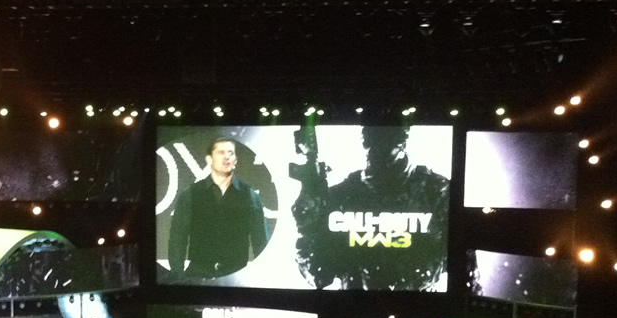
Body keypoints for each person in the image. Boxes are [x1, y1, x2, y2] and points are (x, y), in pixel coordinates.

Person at [292, 124, 449, 290]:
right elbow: (318, 274)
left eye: (384, 140)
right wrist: (309, 213)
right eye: (368, 140)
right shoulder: (345, 194)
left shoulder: (434, 190)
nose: (374, 149)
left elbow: (460, 262)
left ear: (402, 141)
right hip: (354, 302)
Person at [166, 136, 269, 279]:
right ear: (209, 159)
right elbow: (178, 238)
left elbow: (261, 241)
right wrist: (178, 276)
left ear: (235, 160)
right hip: (198, 275)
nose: (226, 157)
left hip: (236, 277)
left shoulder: (250, 196)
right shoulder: (191, 194)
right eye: (221, 153)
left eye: (230, 153)